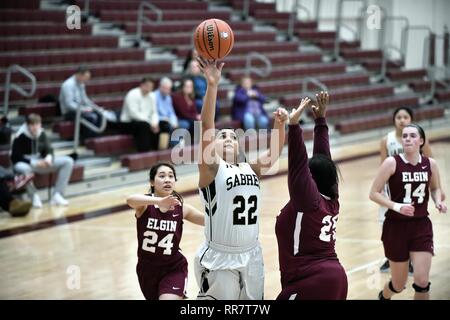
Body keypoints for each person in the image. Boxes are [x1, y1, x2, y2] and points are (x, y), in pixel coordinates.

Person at [194, 57, 289, 300]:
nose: (227, 139)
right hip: (220, 257)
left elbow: (275, 151)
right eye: (222, 136)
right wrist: (212, 85)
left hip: (252, 255)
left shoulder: (251, 168)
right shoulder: (211, 169)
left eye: (233, 137)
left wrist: (280, 125)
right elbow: (206, 126)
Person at [275, 92, 348, 300]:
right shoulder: (332, 199)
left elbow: (298, 163)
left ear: (311, 179)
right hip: (334, 278)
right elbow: (324, 161)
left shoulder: (308, 201)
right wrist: (320, 121)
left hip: (311, 280)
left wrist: (294, 125)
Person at [369, 124, 447, 300]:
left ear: (421, 141)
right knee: (399, 284)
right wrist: (397, 206)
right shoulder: (391, 162)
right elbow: (373, 193)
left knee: (421, 281)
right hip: (395, 227)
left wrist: (438, 201)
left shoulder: (430, 164)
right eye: (404, 136)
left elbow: (435, 189)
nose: (408, 139)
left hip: (421, 226)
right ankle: (384, 296)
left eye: (412, 136)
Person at [377, 107, 445, 273]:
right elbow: (382, 164)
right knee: (386, 223)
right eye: (398, 117)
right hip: (392, 190)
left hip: (413, 189)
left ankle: (413, 260)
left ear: (411, 119)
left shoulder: (420, 140)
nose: (401, 120)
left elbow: (431, 163)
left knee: (413, 222)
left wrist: (439, 190)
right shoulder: (387, 140)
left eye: (405, 117)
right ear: (394, 120)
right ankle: (392, 257)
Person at [126, 162, 204, 300]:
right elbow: (130, 200)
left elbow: (208, 221)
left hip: (173, 267)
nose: (167, 179)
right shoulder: (144, 207)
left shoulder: (182, 209)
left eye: (171, 176)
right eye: (162, 176)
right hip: (147, 269)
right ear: (152, 182)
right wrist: (159, 201)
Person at [11, 114, 74, 208]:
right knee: (24, 169)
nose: (35, 127)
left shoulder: (42, 133)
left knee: (68, 161)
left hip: (40, 162)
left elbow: (49, 149)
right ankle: (34, 196)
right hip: (24, 163)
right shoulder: (19, 136)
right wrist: (34, 163)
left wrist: (48, 159)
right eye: (32, 125)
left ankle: (57, 195)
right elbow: (15, 157)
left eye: (37, 124)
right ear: (27, 125)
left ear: (40, 124)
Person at [59, 66, 116, 141]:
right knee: (91, 117)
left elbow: (85, 100)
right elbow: (69, 104)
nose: (87, 80)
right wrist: (84, 109)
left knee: (99, 114)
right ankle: (86, 139)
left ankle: (95, 137)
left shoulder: (81, 83)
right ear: (79, 75)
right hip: (69, 112)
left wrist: (96, 108)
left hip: (80, 109)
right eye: (86, 77)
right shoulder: (68, 85)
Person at [120, 77, 160, 152]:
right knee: (144, 126)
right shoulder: (132, 94)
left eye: (151, 87)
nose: (149, 89)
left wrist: (154, 123)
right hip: (128, 122)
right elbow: (133, 114)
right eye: (147, 86)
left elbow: (154, 112)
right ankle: (144, 151)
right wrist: (149, 123)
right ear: (142, 85)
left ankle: (157, 150)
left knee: (162, 124)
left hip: (145, 121)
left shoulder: (152, 96)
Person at [172, 78, 201, 144]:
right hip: (180, 118)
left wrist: (197, 116)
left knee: (198, 122)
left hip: (189, 118)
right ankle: (192, 143)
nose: (189, 88)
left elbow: (194, 111)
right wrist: (196, 117)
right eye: (187, 86)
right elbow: (183, 113)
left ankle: (196, 143)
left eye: (191, 86)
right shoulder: (178, 97)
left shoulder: (191, 97)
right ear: (183, 87)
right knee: (194, 122)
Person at [154, 77, 178, 149]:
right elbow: (153, 113)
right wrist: (165, 119)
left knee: (178, 124)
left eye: (169, 89)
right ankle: (163, 148)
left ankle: (176, 149)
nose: (167, 91)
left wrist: (174, 121)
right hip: (158, 119)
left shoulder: (168, 97)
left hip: (167, 119)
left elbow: (171, 112)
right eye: (166, 88)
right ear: (160, 87)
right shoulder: (154, 96)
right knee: (165, 125)